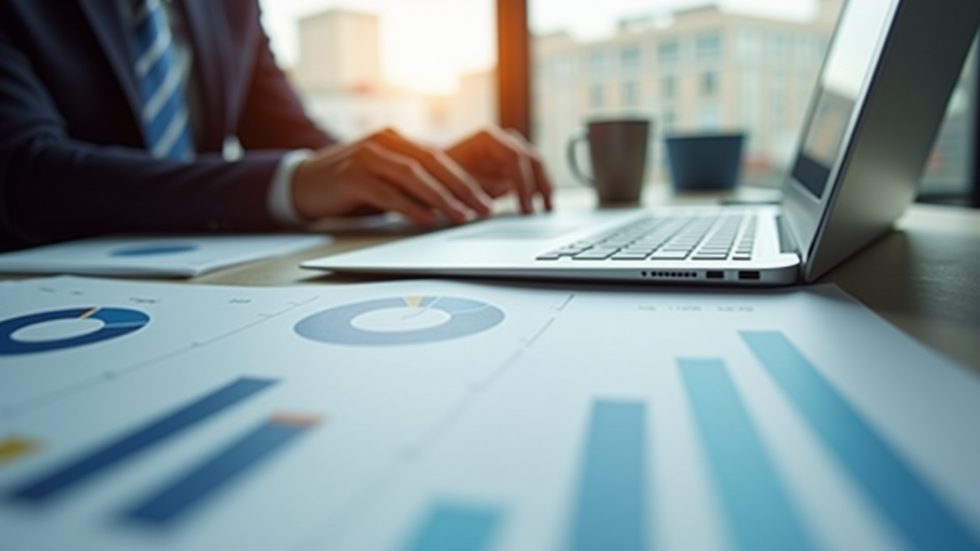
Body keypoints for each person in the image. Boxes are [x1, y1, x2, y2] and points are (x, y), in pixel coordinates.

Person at [0, 0, 552, 252]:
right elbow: (24, 172)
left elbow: (300, 141)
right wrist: (289, 181)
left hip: (201, 285)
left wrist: (431, 168)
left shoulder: (229, 7)